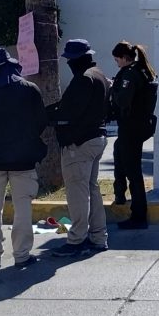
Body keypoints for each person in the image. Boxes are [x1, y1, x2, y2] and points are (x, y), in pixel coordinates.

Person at [0, 48, 48, 269]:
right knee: (23, 209)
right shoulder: (29, 89)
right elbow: (41, 122)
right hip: (23, 160)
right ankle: (21, 255)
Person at [47, 39, 111, 258]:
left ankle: (77, 240)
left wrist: (45, 116)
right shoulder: (99, 75)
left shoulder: (84, 79)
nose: (68, 63)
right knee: (91, 189)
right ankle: (98, 237)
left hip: (79, 143)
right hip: (96, 138)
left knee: (78, 193)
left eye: (69, 59)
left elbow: (69, 112)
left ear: (75, 59)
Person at [108, 41, 158, 230]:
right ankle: (120, 195)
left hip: (131, 127)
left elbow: (123, 100)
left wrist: (113, 88)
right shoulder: (142, 70)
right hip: (137, 126)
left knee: (133, 171)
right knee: (119, 154)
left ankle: (138, 215)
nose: (116, 63)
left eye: (116, 60)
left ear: (123, 58)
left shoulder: (130, 74)